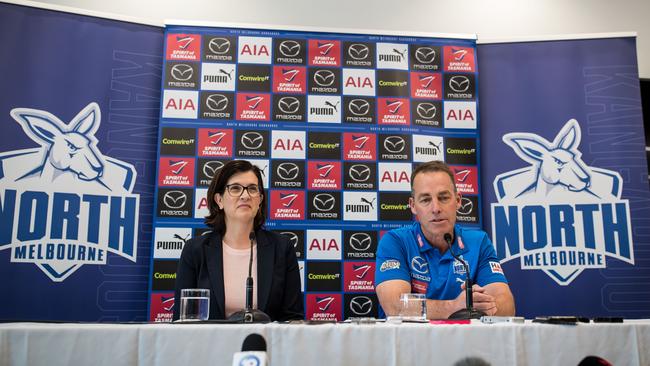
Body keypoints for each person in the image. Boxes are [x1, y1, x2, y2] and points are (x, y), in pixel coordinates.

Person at [375, 160, 515, 319]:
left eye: (443, 197)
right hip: (409, 342)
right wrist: (455, 307)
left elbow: (506, 305)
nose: (436, 208)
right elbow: (394, 306)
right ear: (413, 206)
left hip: (465, 342)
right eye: (426, 200)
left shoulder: (479, 242)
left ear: (458, 200)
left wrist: (484, 305)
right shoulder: (395, 241)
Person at [173, 160, 304, 321]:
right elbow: (182, 320)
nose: (245, 195)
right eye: (235, 188)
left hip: (266, 345)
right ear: (219, 200)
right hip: (210, 345)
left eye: (252, 189)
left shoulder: (282, 248)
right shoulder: (195, 250)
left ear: (260, 200)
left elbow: (293, 319)